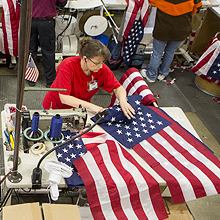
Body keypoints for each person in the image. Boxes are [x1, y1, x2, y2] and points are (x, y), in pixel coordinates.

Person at [42, 37, 135, 119]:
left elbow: (117, 87)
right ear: (85, 58)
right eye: (97, 62)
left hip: (80, 110)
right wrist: (92, 107)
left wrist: (123, 101)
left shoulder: (101, 69)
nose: (101, 66)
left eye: (102, 62)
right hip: (57, 109)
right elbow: (64, 98)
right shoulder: (67, 66)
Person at [141, 0, 202, 83]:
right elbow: (198, 7)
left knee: (157, 53)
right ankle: (163, 73)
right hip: (181, 30)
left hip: (162, 29)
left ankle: (151, 76)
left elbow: (150, 2)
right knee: (170, 52)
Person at [28, 0, 67, 87]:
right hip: (46, 22)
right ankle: (50, 81)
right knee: (48, 51)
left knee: (30, 50)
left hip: (30, 21)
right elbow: (62, 3)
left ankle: (31, 79)